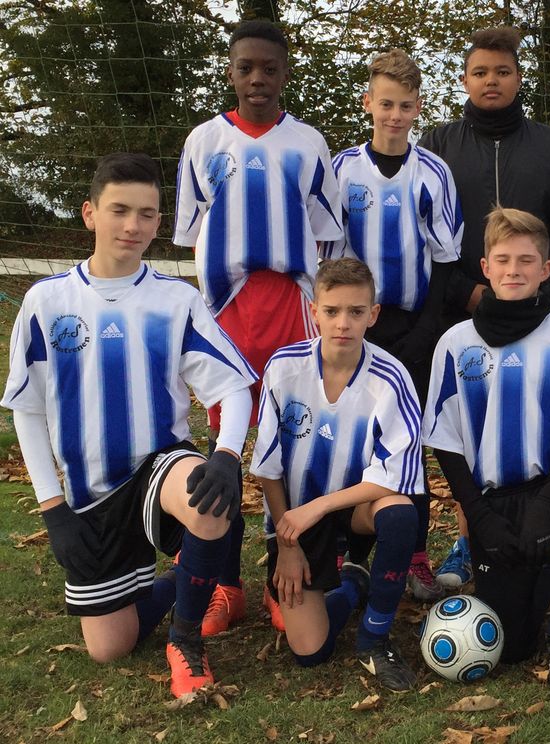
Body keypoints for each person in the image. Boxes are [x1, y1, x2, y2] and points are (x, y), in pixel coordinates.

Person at [2, 153, 257, 698]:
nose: (133, 225)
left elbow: (233, 386)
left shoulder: (176, 299)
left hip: (158, 467)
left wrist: (226, 455)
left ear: (159, 221)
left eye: (146, 213)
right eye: (119, 210)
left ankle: (185, 639)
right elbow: (28, 409)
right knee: (109, 648)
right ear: (90, 213)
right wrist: (53, 510)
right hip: (91, 494)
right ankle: (191, 573)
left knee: (207, 498)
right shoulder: (47, 302)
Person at [173, 19, 344, 636]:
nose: (257, 79)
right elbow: (191, 230)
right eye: (246, 67)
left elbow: (327, 230)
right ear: (230, 71)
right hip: (228, 310)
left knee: (292, 438)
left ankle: (282, 574)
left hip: (291, 306)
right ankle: (224, 585)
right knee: (225, 443)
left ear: (285, 74)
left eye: (269, 68)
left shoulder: (308, 143)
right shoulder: (203, 141)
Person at [423, 207, 550, 689]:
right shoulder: (455, 342)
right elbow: (445, 441)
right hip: (492, 501)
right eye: (503, 260)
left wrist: (546, 505)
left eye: (526, 260)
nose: (513, 270)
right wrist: (478, 515)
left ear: (546, 269)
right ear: (485, 268)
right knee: (514, 648)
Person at [420, 26, 550, 591]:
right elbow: (429, 232)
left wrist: (542, 295)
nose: (492, 81)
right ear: (465, 79)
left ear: (518, 78)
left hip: (537, 310)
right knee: (470, 429)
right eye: (480, 72)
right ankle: (469, 541)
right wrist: (467, 291)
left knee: (541, 422)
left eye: (503, 71)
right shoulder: (437, 144)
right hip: (463, 310)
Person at [322, 48, 462, 603]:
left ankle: (415, 555)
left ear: (418, 108)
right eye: (386, 104)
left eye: (405, 106)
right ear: (368, 103)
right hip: (355, 324)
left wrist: (427, 330)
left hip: (413, 326)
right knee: (352, 435)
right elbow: (330, 259)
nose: (395, 115)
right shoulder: (342, 169)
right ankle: (347, 551)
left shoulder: (434, 173)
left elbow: (446, 259)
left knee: (411, 442)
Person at [250, 258, 422, 691]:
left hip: (354, 510)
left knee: (400, 512)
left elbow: (395, 475)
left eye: (356, 311)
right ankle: (352, 585)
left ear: (373, 314)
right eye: (332, 311)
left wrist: (321, 507)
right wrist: (286, 544)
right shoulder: (284, 368)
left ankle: (374, 637)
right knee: (311, 652)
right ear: (314, 311)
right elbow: (268, 469)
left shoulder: (392, 378)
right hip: (295, 521)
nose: (343, 323)